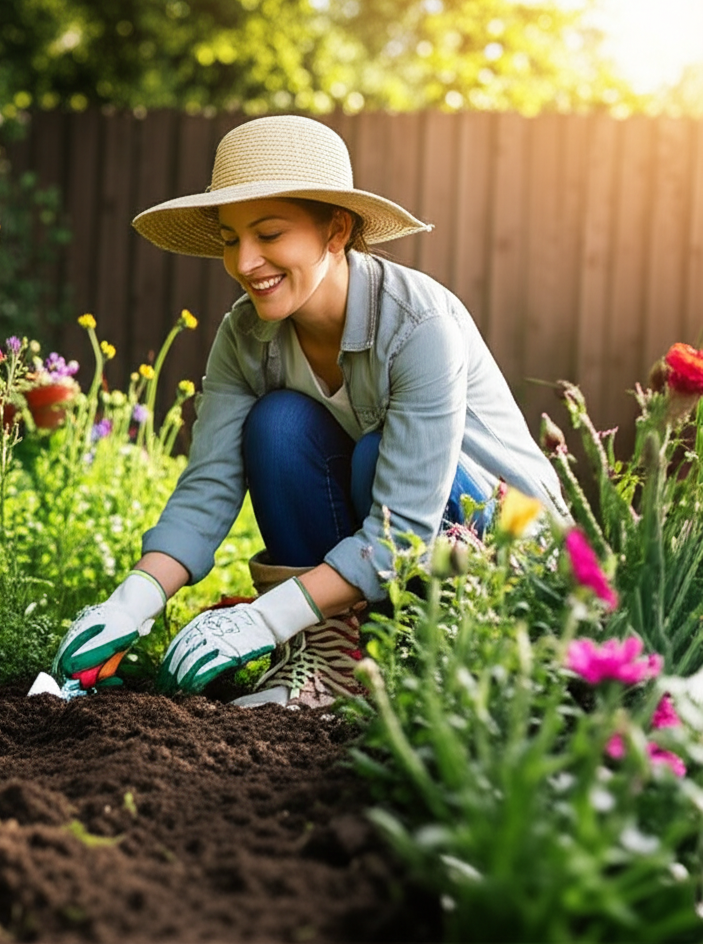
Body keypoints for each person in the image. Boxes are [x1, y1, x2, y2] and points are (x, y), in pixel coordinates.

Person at [52, 114, 567, 708]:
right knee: (277, 426)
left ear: (337, 230)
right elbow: (208, 486)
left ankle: (428, 661)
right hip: (390, 552)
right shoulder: (245, 337)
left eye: (269, 234)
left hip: (504, 553)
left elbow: (403, 528)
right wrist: (131, 603)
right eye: (230, 239)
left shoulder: (419, 325)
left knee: (375, 454)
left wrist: (263, 619)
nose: (246, 262)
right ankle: (331, 665)